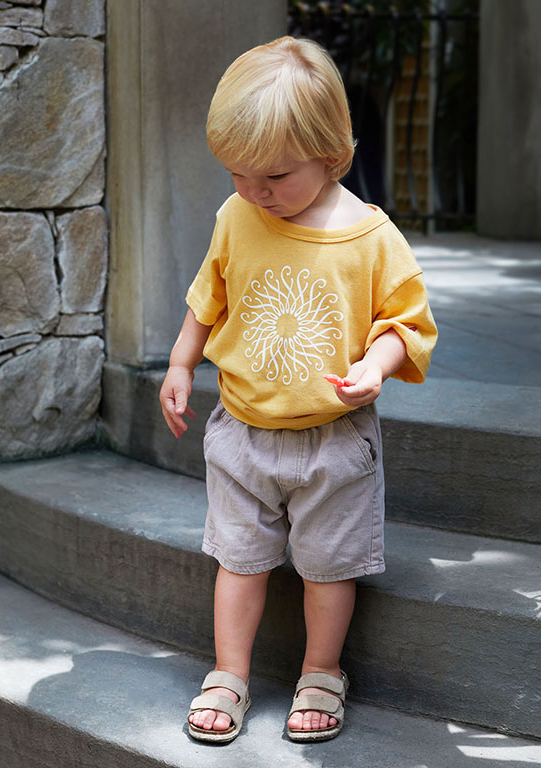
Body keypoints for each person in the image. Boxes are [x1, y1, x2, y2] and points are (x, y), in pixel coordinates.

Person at [159, 35, 437, 744]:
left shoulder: (370, 237)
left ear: (332, 153)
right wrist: (182, 363)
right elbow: (208, 296)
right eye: (237, 174)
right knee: (238, 561)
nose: (255, 191)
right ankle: (229, 672)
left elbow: (406, 323)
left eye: (275, 176)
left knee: (327, 569)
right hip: (242, 433)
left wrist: (376, 365)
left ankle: (321, 671)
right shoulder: (237, 217)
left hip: (333, 442)